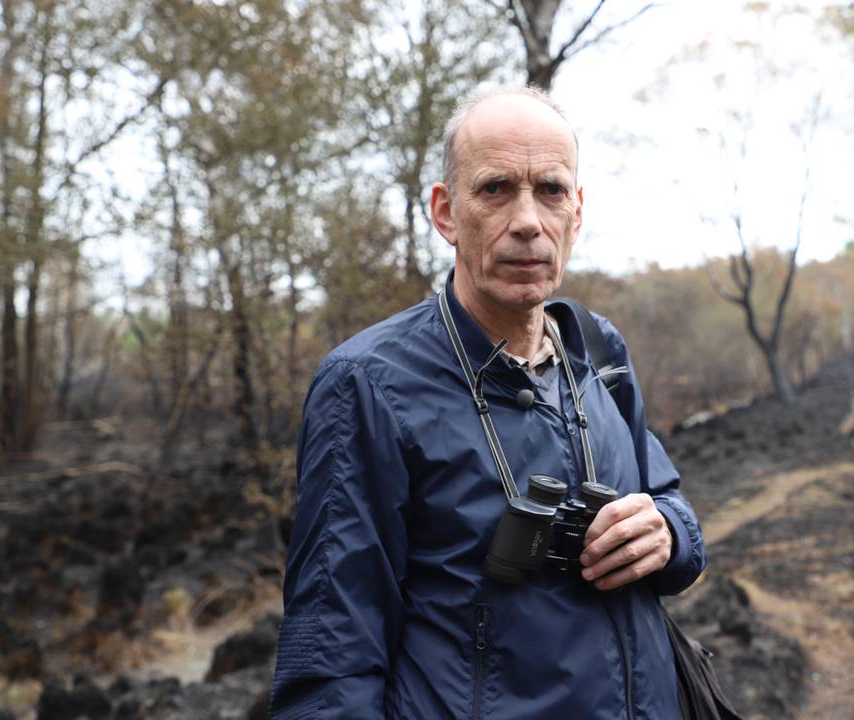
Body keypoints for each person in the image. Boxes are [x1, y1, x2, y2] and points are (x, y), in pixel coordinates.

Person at [270, 85, 707, 719]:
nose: (528, 220)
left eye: (551, 191)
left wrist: (667, 532)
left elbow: (670, 502)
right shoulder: (368, 383)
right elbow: (332, 653)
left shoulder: (597, 348)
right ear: (446, 213)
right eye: (496, 188)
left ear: (576, 214)